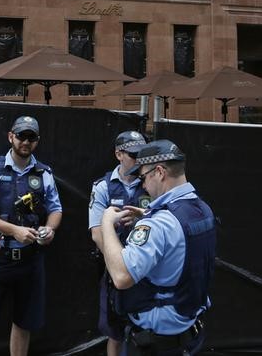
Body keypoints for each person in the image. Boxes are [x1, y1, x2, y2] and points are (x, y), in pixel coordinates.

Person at [100, 139, 216, 356]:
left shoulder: (158, 224)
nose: (143, 185)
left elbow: (121, 277)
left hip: (156, 344)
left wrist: (106, 222)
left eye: (144, 177)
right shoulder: (202, 208)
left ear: (160, 172)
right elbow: (181, 239)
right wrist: (147, 217)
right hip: (189, 335)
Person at [0, 116, 62, 356]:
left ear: (37, 141)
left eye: (31, 137)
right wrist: (14, 230)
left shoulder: (44, 173)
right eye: (21, 136)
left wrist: (50, 229)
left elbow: (55, 210)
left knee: (23, 324)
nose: (26, 142)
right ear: (11, 136)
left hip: (30, 260)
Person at [89, 131, 150, 356]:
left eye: (142, 154)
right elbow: (97, 234)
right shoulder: (103, 187)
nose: (138, 159)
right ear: (118, 154)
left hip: (145, 270)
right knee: (114, 334)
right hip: (116, 272)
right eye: (133, 154)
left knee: (146, 332)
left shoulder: (150, 183)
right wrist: (120, 267)